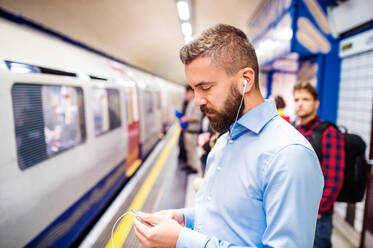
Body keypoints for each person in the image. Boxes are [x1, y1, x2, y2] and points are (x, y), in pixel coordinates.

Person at [133, 24, 323, 248]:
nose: (197, 101)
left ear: (246, 80)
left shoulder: (289, 155)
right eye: (194, 89)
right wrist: (184, 219)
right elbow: (229, 217)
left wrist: (182, 240)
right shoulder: (225, 140)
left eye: (205, 87)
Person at [293, 81, 345, 248]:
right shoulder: (292, 130)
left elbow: (334, 177)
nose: (300, 103)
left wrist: (319, 209)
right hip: (292, 210)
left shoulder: (328, 133)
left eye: (305, 99)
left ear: (316, 104)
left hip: (316, 217)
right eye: (296, 99)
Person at [180, 85, 203, 174]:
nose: (187, 95)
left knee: (192, 150)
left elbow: (196, 117)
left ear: (192, 92)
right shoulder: (190, 102)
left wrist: (186, 119)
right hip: (187, 131)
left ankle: (194, 167)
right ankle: (190, 165)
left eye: (187, 93)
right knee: (189, 150)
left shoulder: (196, 103)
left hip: (193, 132)